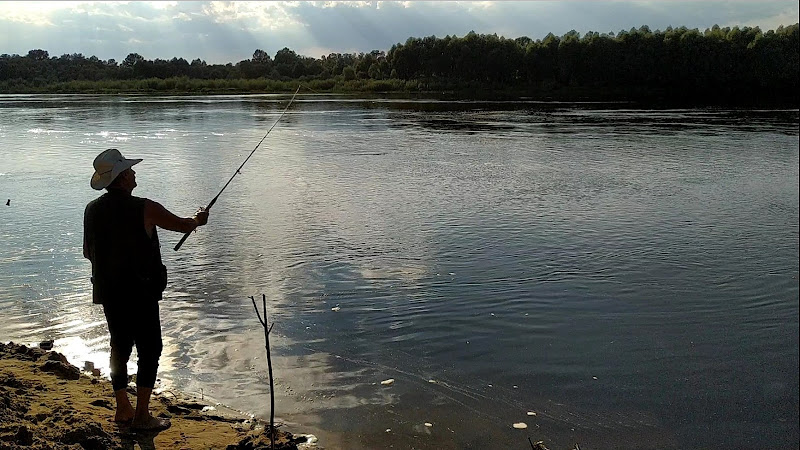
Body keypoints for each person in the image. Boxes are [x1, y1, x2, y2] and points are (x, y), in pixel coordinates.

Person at [83, 148, 209, 431]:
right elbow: (182, 225)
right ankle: (142, 415)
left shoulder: (91, 209)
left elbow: (87, 252)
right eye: (130, 170)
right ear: (123, 177)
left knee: (119, 347)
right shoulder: (145, 207)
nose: (135, 173)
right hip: (140, 292)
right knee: (150, 349)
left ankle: (122, 409)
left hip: (109, 292)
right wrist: (199, 219)